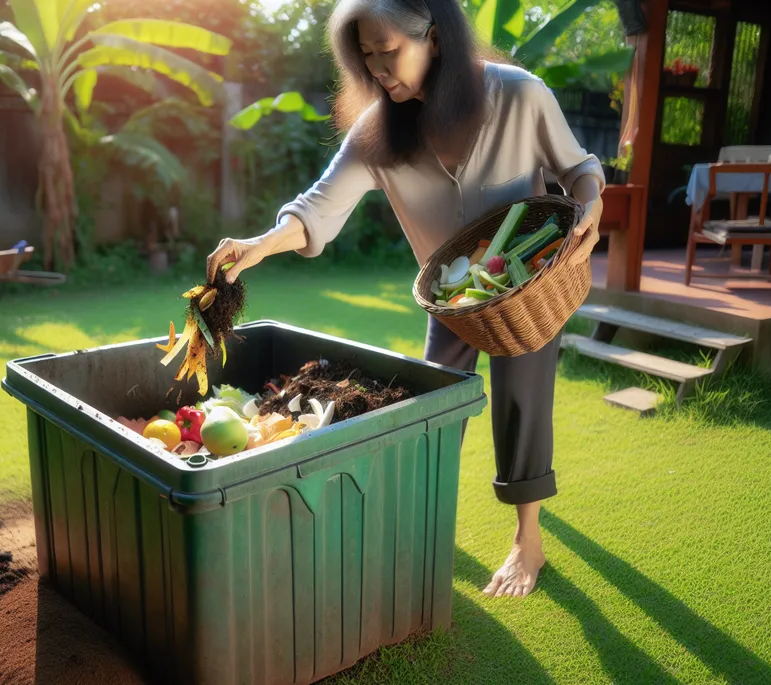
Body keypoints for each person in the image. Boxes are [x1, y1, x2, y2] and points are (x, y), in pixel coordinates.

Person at [206, 0, 604, 598]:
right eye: (365, 56)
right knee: (429, 406)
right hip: (450, 298)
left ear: (435, 39)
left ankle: (528, 537)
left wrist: (593, 206)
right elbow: (319, 205)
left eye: (388, 51)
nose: (378, 70)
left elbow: (578, 170)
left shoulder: (520, 97)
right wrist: (261, 243)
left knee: (522, 396)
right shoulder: (377, 131)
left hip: (526, 289)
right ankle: (418, 519)